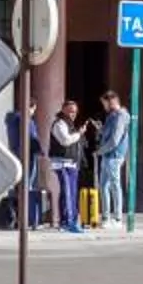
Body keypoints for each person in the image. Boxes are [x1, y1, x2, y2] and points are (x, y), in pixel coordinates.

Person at [49, 99, 86, 232]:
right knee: (68, 191)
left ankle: (69, 220)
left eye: (75, 112)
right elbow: (65, 141)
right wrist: (79, 134)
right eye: (70, 111)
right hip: (62, 163)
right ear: (63, 110)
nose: (73, 114)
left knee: (71, 192)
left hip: (71, 163)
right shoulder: (59, 124)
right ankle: (69, 222)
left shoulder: (70, 124)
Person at [96, 90, 132, 226]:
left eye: (104, 103)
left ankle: (117, 217)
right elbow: (109, 134)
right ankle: (106, 216)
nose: (104, 106)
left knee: (114, 185)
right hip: (107, 155)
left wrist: (100, 151)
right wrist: (101, 130)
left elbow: (115, 140)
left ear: (111, 102)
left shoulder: (121, 116)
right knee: (104, 185)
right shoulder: (111, 116)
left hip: (114, 155)